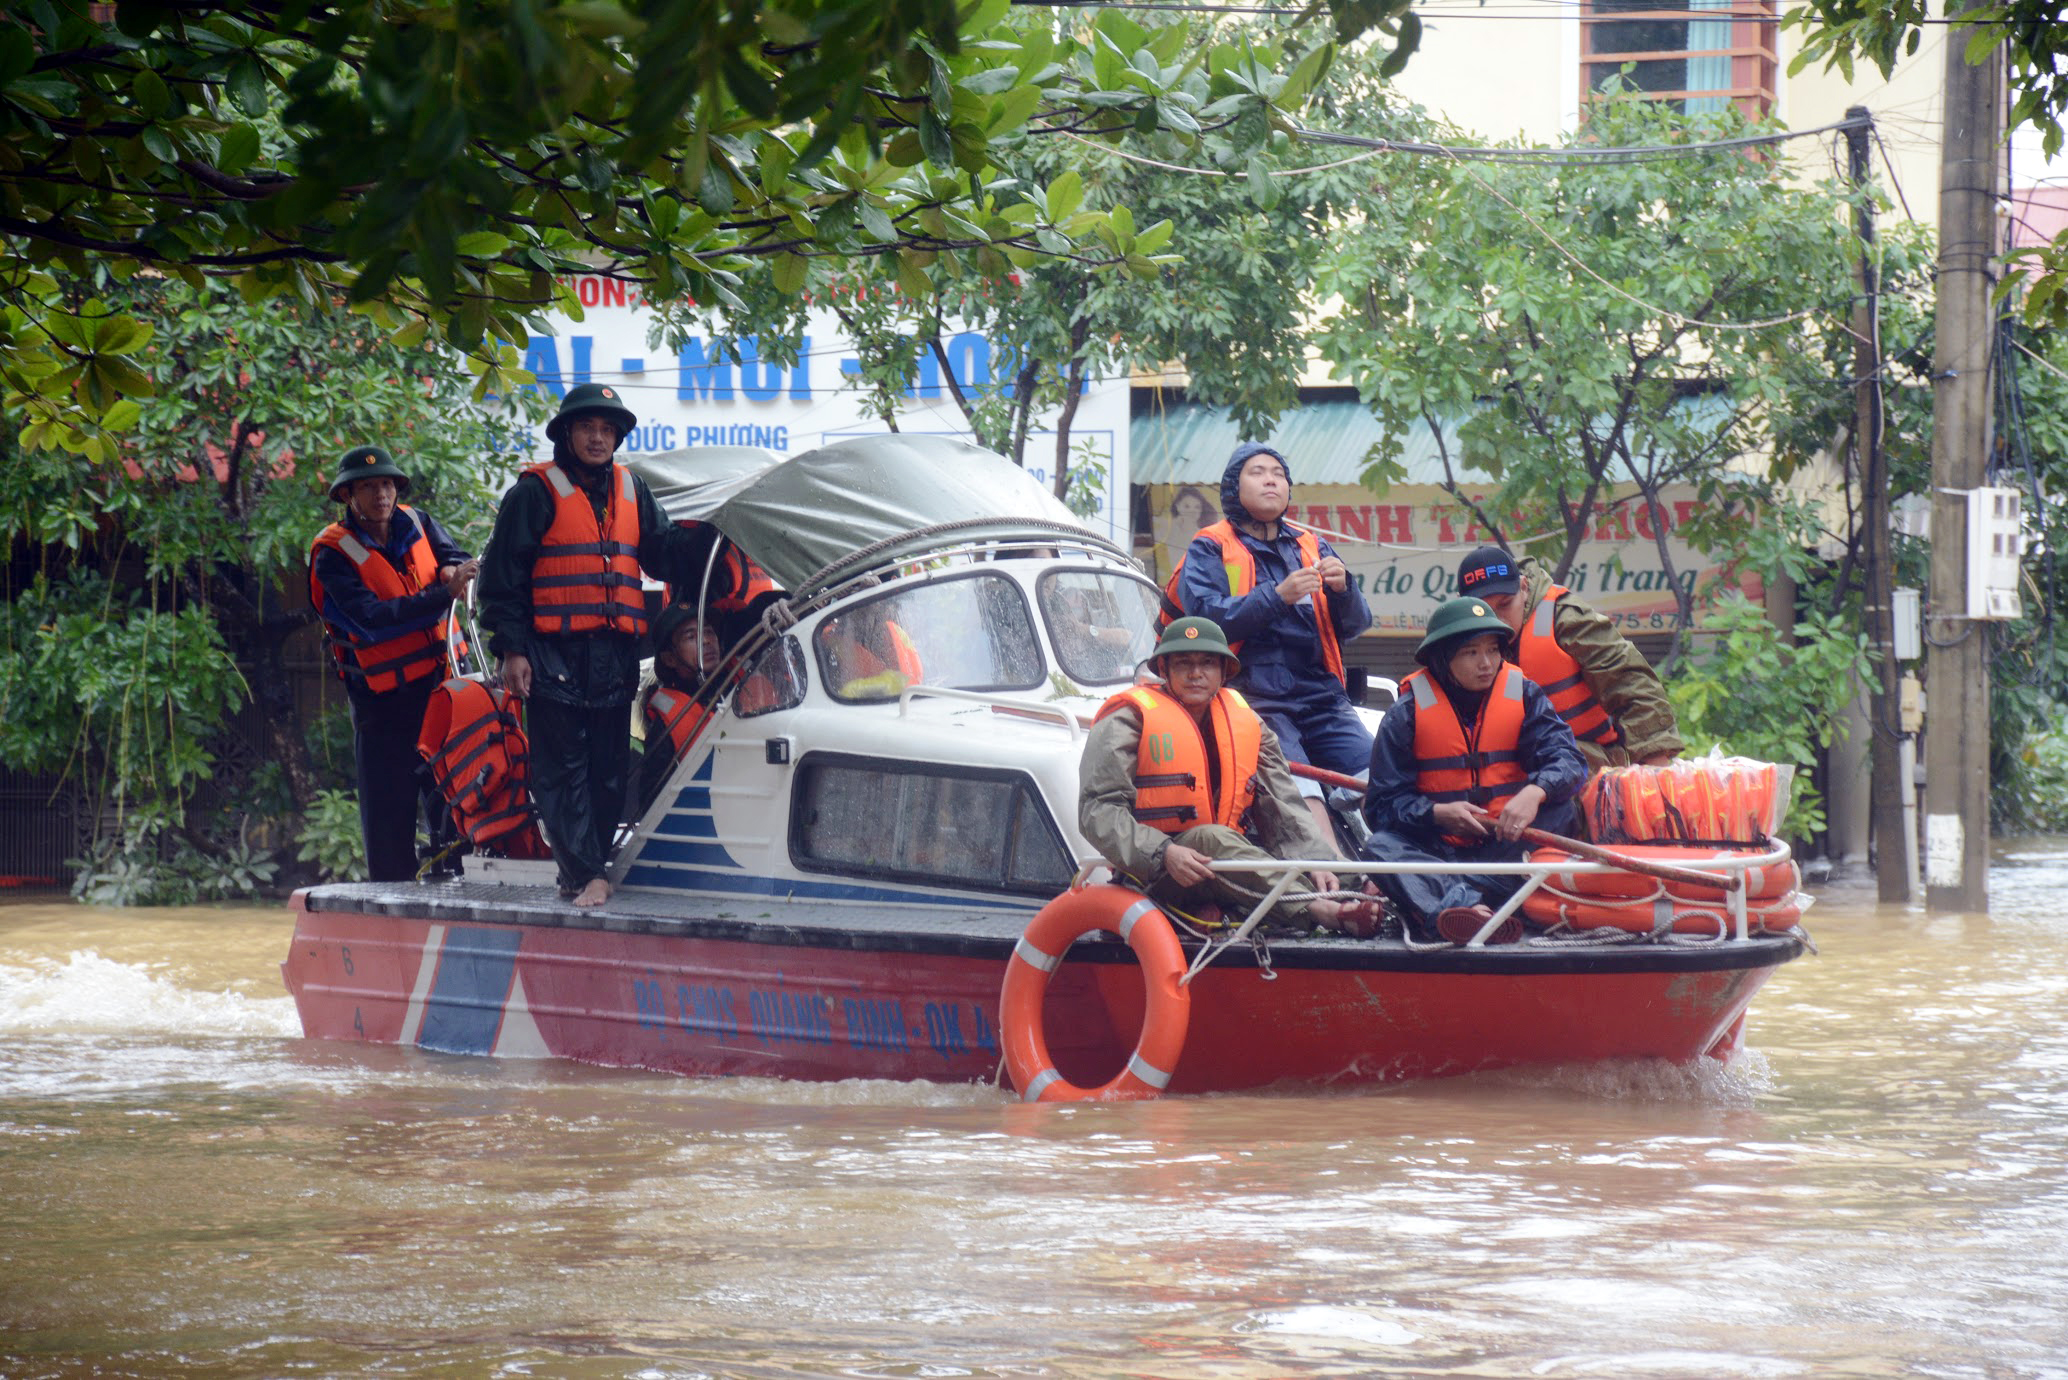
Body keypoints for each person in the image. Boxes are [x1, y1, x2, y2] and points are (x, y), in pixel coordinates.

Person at [477, 383, 732, 907]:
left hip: (614, 654)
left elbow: (662, 554)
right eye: (589, 428)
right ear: (567, 432)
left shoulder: (632, 489)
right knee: (561, 766)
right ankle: (583, 874)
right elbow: (502, 581)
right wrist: (513, 649)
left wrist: (711, 532)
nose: (598, 438)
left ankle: (588, 867)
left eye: (608, 430)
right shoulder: (533, 493)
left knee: (608, 768)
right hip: (553, 653)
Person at [1080, 616, 1382, 935]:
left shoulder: (1249, 724)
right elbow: (1098, 811)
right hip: (1154, 871)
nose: (1196, 673)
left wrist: (1317, 862)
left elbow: (1284, 806)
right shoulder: (1127, 720)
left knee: (1329, 867)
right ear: (1165, 670)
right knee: (1211, 838)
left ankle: (1369, 896)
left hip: (1229, 866)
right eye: (1183, 663)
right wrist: (1164, 852)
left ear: (1224, 672)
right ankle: (1319, 910)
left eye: (1207, 663)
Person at [1167, 442, 1374, 844]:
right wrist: (1277, 596)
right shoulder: (1210, 545)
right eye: (1258, 472)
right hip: (1255, 699)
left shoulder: (1310, 543)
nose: (1271, 480)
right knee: (1302, 792)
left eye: (1278, 474)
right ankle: (1335, 889)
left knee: (1381, 780)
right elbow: (1206, 623)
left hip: (1323, 697)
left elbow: (1356, 624)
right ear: (1233, 487)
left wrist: (1345, 589)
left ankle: (1410, 881)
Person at [1360, 596, 1589, 945]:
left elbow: (1570, 762)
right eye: (1470, 652)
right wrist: (1435, 814)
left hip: (1507, 848)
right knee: (1381, 846)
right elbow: (1381, 807)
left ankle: (1449, 905)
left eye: (1493, 650)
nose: (1486, 663)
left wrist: (1535, 791)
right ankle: (1476, 905)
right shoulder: (1404, 715)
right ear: (1442, 657)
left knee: (1562, 808)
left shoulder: (1524, 695)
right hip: (1438, 850)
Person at [307, 444, 478, 882]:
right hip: (381, 705)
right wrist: (442, 594)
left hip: (439, 689)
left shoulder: (418, 523)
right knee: (388, 814)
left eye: (386, 484)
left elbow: (456, 560)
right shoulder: (332, 555)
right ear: (348, 496)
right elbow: (371, 623)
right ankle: (393, 904)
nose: (381, 495)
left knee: (452, 799)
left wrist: (449, 572)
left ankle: (456, 881)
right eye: (367, 487)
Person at [1457, 544, 1684, 772]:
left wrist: (1656, 769)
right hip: (1505, 771)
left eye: (1505, 604)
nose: (1498, 619)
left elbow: (1630, 682)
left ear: (1524, 588)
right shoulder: (1453, 637)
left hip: (1588, 763)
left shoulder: (1565, 618)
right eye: (1484, 610)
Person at [636, 602, 723, 813]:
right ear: (669, 659)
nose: (706, 640)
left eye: (709, 631)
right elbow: (652, 804)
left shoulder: (741, 688)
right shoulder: (667, 723)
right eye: (691, 637)